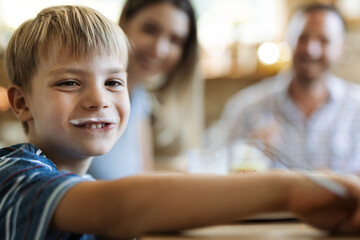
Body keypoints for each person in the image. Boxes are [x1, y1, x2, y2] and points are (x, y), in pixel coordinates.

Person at [2, 5, 360, 239]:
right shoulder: (16, 175)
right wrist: (290, 190)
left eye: (114, 82)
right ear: (22, 102)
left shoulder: (83, 179)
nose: (99, 99)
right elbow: (116, 207)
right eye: (68, 82)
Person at [215, 3, 360, 173]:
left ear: (342, 49)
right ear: (288, 41)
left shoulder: (356, 108)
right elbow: (214, 169)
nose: (311, 50)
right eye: (302, 38)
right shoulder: (247, 108)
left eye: (324, 40)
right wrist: (247, 153)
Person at [89, 0, 203, 178]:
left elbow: (143, 175)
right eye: (150, 30)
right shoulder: (90, 97)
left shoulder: (141, 98)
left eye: (175, 40)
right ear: (124, 23)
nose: (159, 50)